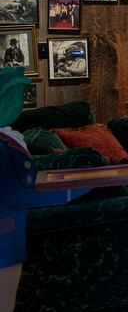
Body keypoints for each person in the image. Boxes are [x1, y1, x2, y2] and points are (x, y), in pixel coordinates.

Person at [0, 67, 92, 312]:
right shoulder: (4, 146)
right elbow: (18, 194)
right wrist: (74, 189)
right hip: (4, 242)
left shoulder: (7, 140)